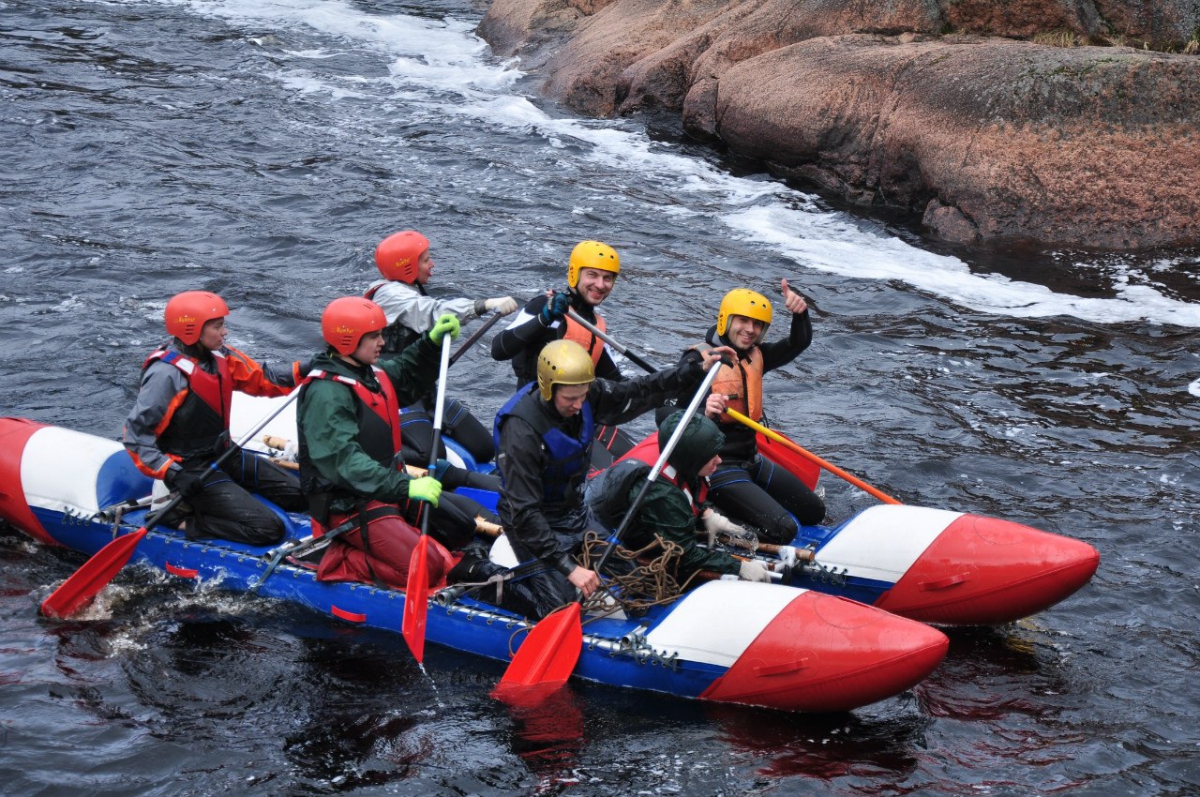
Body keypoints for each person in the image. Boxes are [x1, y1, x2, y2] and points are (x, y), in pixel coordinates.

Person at [491, 338, 732, 619]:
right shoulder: (520, 432)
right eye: (570, 399)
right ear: (548, 389)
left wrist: (695, 370)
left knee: (639, 582)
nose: (580, 405)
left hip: (573, 513)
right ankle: (485, 577)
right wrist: (570, 568)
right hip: (530, 525)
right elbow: (524, 512)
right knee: (559, 607)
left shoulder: (584, 393)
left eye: (583, 396)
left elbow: (638, 389)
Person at [295, 296, 480, 589]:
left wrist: (431, 344)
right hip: (349, 505)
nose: (382, 341)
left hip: (385, 489)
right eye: (373, 336)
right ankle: (339, 557)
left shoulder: (369, 373)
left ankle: (402, 538)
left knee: (461, 528)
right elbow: (344, 462)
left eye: (381, 333)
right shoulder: (327, 394)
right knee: (426, 570)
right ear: (348, 340)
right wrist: (407, 486)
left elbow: (405, 375)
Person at [123, 290, 309, 546]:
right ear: (192, 330)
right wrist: (173, 474)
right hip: (190, 469)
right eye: (218, 326)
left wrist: (306, 369)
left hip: (224, 454)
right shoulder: (166, 374)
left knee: (304, 494)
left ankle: (227, 496)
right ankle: (177, 518)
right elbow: (137, 436)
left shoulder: (221, 355)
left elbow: (263, 380)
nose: (225, 332)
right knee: (268, 529)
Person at [672, 280, 824, 544]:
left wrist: (800, 314)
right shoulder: (697, 361)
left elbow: (798, 343)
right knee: (784, 530)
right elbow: (669, 418)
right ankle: (710, 517)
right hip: (716, 469)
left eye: (758, 324)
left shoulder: (756, 355)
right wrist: (702, 412)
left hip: (751, 461)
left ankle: (741, 504)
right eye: (743, 320)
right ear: (726, 319)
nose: (750, 330)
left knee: (814, 511)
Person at [367, 229, 518, 466]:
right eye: (426, 260)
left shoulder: (410, 290)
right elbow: (434, 313)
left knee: (484, 447)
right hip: (397, 394)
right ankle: (369, 452)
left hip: (425, 392)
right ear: (406, 266)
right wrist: (484, 305)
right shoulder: (389, 296)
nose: (432, 264)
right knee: (430, 456)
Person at [585, 411, 773, 586]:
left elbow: (690, 489)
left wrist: (706, 512)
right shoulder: (661, 492)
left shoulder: (677, 452)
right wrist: (740, 567)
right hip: (602, 531)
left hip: (643, 511)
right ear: (691, 458)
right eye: (711, 456)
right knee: (641, 583)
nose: (719, 460)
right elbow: (683, 556)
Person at [489, 239, 632, 463]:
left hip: (573, 419)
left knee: (632, 458)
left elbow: (618, 383)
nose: (601, 284)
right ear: (574, 274)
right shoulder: (542, 307)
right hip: (532, 422)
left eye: (607, 278)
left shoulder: (594, 326)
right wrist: (544, 319)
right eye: (592, 275)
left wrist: (668, 386)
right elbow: (498, 349)